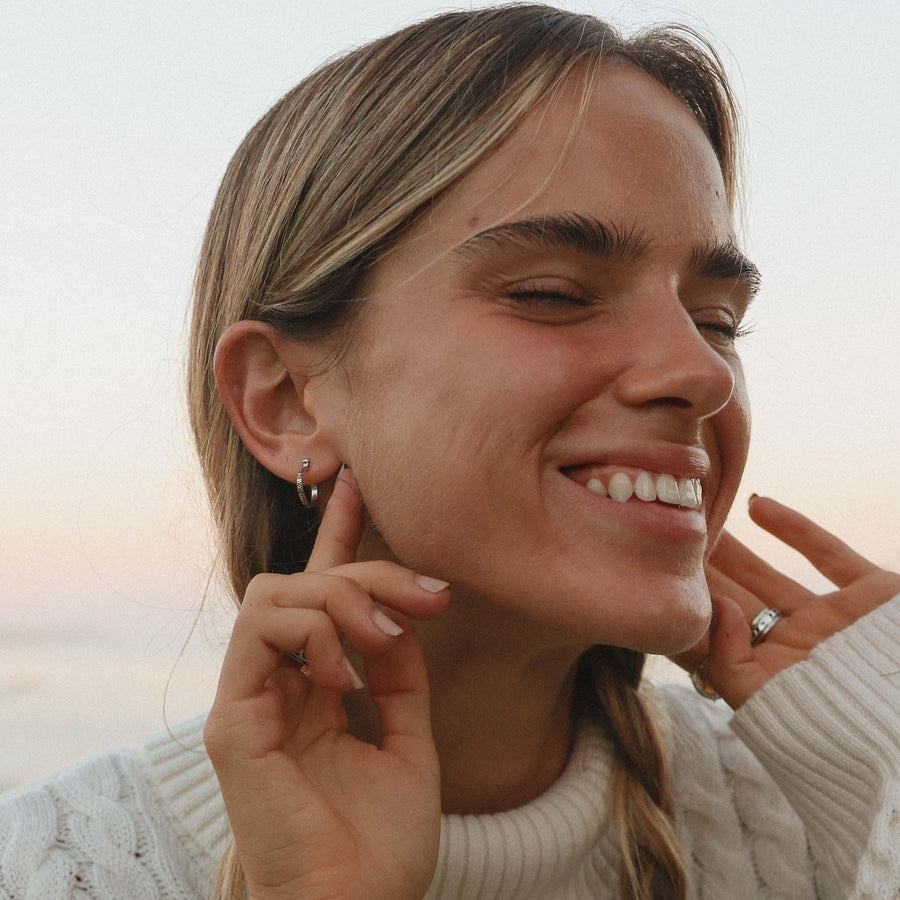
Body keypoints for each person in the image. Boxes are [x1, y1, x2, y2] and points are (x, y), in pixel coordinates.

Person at [2, 5, 898, 899]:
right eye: (553, 294)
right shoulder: (50, 870)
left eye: (718, 322)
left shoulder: (835, 823)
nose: (700, 372)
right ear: (285, 403)